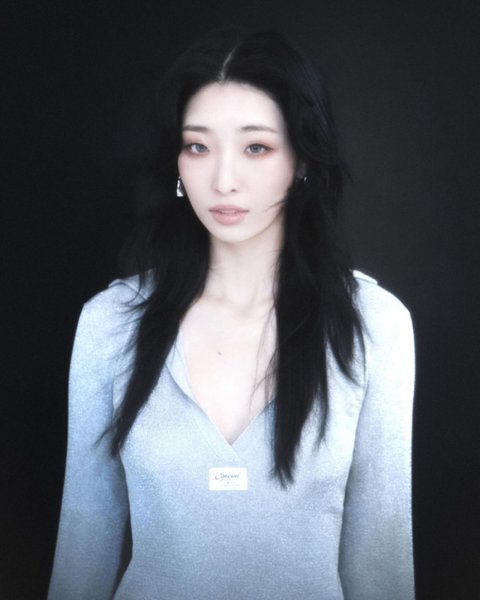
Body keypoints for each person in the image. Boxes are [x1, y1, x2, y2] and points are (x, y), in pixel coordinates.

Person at [48, 28, 415, 600]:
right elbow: (83, 546)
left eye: (256, 147)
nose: (222, 180)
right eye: (198, 146)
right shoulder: (111, 322)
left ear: (301, 160)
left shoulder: (375, 325)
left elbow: (381, 558)